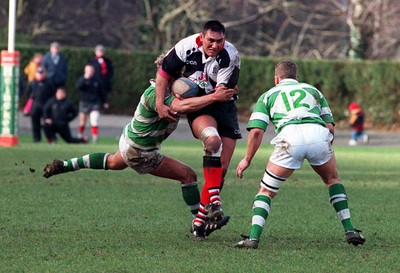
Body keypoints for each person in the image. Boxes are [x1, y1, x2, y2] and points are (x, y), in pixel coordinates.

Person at [43, 53, 235, 238]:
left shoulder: (167, 91)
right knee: (188, 175)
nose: (183, 77)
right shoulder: (156, 95)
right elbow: (181, 107)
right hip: (141, 151)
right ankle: (198, 223)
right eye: (179, 73)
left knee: (113, 162)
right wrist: (213, 98)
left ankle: (65, 165)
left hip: (130, 142)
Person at [234, 60, 365, 249]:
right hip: (318, 134)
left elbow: (256, 131)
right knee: (333, 181)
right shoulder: (313, 91)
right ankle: (350, 229)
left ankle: (253, 238)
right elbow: (329, 126)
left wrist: (247, 159)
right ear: (297, 78)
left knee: (266, 191)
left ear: (276, 79)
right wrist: (326, 148)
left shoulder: (268, 95)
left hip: (290, 138)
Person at [155, 20, 241, 240]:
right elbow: (164, 72)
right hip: (201, 108)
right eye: (210, 40)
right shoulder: (185, 47)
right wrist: (159, 104)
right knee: (212, 142)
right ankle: (215, 204)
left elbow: (221, 95)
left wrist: (204, 93)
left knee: (220, 170)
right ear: (201, 37)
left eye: (219, 41)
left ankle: (199, 223)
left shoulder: (230, 55)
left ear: (224, 39)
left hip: (225, 108)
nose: (214, 45)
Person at [76, 64, 107, 143]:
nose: (89, 72)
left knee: (94, 120)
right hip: (84, 102)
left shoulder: (96, 80)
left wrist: (105, 102)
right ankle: (80, 134)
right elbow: (78, 86)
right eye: (88, 70)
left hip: (94, 103)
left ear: (93, 71)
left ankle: (95, 137)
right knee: (82, 122)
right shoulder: (82, 79)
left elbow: (101, 92)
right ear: (85, 71)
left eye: (91, 70)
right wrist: (85, 78)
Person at [27, 66, 55, 142]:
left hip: (46, 104)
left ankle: (51, 138)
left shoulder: (49, 83)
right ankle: (37, 139)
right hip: (35, 104)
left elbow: (52, 94)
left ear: (45, 74)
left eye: (41, 73)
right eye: (38, 73)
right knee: (35, 123)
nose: (40, 75)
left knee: (47, 122)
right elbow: (29, 93)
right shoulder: (32, 83)